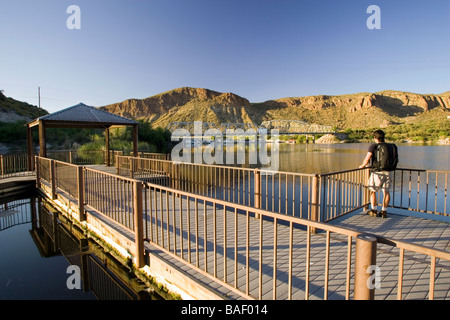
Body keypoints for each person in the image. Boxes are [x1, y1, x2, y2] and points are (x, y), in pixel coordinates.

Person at [359, 129, 391, 218]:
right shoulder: (389, 146)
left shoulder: (373, 146)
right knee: (386, 192)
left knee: (372, 191)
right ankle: (384, 211)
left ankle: (374, 210)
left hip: (377, 172)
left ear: (375, 137)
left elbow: (367, 158)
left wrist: (362, 166)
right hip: (388, 172)